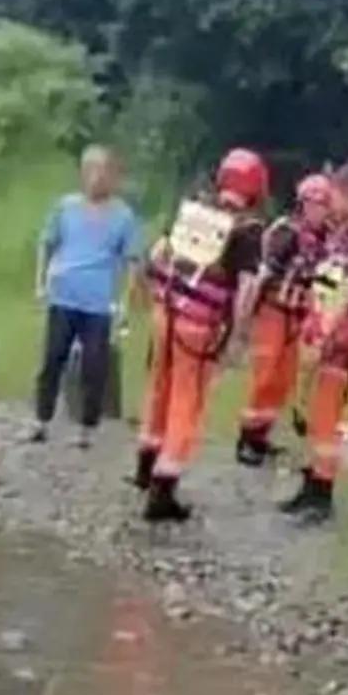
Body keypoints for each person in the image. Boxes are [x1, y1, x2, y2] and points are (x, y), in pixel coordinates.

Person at [137, 148, 268, 522]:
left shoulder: (194, 210)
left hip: (166, 313)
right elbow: (246, 290)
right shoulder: (248, 231)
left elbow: (158, 254)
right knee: (187, 402)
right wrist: (237, 337)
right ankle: (164, 487)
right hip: (199, 325)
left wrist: (156, 299)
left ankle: (146, 463)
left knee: (158, 386)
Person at [280, 160, 348, 523]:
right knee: (313, 411)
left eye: (336, 194)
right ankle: (310, 484)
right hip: (322, 325)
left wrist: (325, 329)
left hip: (342, 334)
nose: (331, 201)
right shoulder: (341, 236)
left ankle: (322, 495)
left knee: (327, 413)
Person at [33, 146, 143, 446]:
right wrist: (40, 281)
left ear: (112, 176)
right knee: (52, 357)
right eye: (89, 171)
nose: (95, 178)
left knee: (95, 365)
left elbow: (133, 261)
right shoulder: (65, 207)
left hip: (98, 301)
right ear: (82, 175)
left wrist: (125, 301)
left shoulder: (123, 215)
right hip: (63, 294)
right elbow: (46, 243)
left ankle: (87, 428)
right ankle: (41, 420)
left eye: (102, 171)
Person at [235, 172, 333, 466]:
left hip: (299, 315)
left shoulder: (327, 238)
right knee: (265, 374)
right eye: (315, 204)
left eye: (325, 205)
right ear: (303, 203)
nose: (320, 211)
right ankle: (248, 437)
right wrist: (246, 316)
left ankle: (262, 434)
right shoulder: (286, 232)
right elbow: (263, 275)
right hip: (273, 311)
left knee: (284, 378)